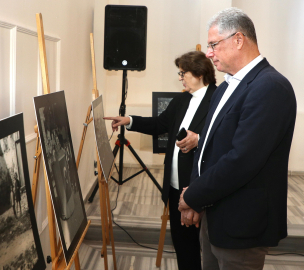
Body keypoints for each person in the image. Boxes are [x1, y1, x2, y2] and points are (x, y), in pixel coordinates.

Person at [178, 7, 296, 270]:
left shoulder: (270, 87)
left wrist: (193, 195)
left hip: (242, 224)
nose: (208, 53)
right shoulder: (227, 86)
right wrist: (197, 199)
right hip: (214, 213)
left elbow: (241, 160)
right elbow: (207, 148)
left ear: (239, 40)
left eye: (213, 45)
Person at [104, 50, 216, 270]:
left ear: (200, 73)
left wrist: (200, 139)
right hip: (175, 186)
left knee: (206, 246)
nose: (180, 77)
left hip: (200, 188)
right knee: (183, 245)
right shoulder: (182, 99)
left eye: (183, 73)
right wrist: (129, 120)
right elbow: (159, 125)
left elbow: (224, 139)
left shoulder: (218, 99)